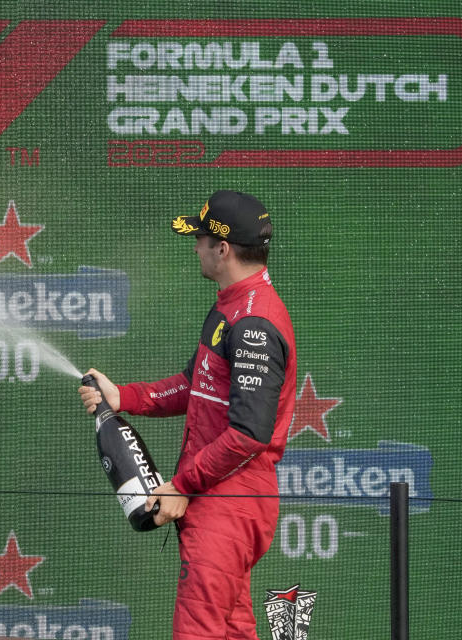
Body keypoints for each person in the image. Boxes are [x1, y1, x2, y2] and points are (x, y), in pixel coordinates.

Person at [79, 190, 296, 639]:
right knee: (234, 631)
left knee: (196, 632)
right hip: (226, 499)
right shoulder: (231, 306)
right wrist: (124, 397)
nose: (194, 246)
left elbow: (248, 436)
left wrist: (182, 484)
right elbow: (194, 384)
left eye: (199, 238)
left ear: (223, 249)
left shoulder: (253, 322)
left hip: (229, 501)